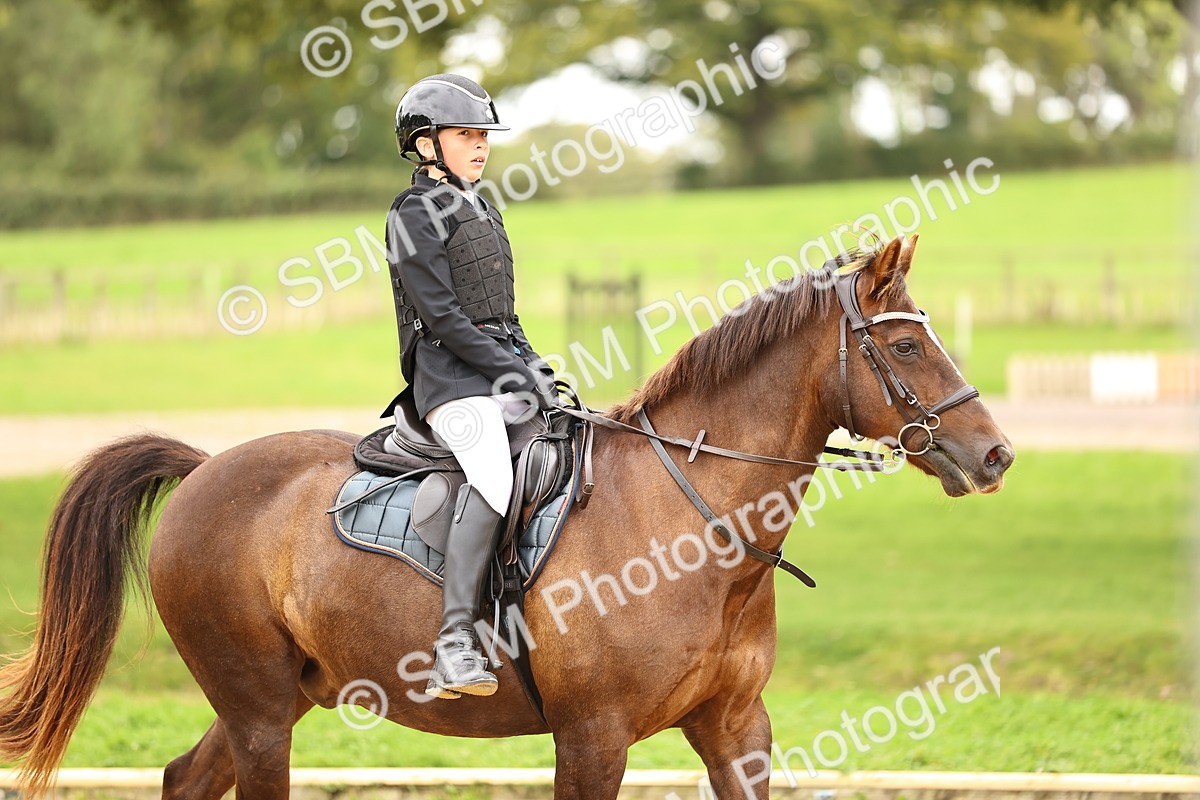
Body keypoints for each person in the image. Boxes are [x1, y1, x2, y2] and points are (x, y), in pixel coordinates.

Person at [382, 74, 559, 700]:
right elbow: (444, 319)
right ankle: (454, 644)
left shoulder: (483, 207)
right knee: (492, 473)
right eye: (465, 134)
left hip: (493, 371)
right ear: (425, 143)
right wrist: (512, 372)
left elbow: (501, 315)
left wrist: (534, 366)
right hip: (449, 382)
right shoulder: (411, 214)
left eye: (484, 135)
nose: (480, 145)